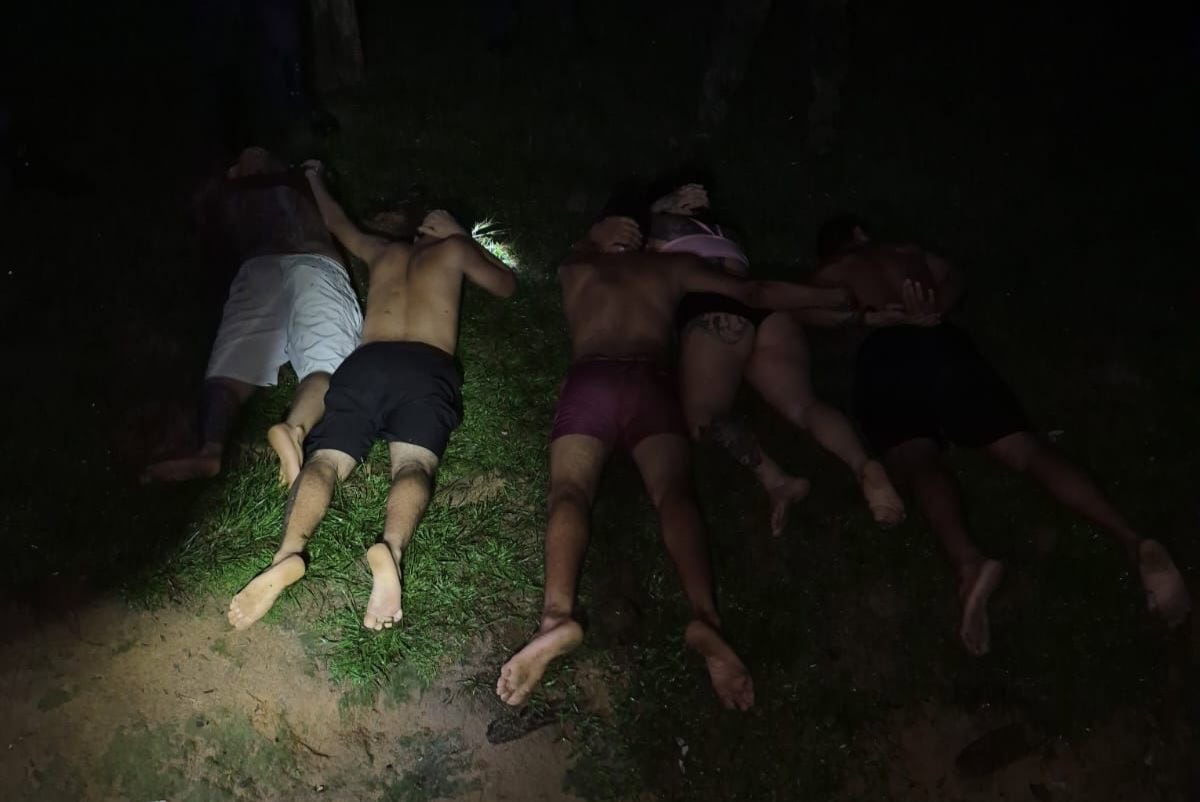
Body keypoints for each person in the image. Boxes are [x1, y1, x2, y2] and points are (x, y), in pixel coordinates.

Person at [496, 211, 855, 711]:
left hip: (591, 380)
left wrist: (592, 236)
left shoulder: (578, 267)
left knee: (570, 492)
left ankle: (556, 617)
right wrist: (827, 297)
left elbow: (571, 251)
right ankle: (705, 618)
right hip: (649, 383)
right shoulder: (670, 267)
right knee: (673, 494)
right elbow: (752, 293)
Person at [811, 214, 1192, 656]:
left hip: (885, 353)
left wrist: (868, 319)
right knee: (1023, 449)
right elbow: (956, 276)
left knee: (916, 459)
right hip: (944, 343)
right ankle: (1131, 537)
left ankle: (968, 563)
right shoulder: (907, 253)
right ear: (861, 233)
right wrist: (934, 311)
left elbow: (817, 317)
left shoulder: (832, 271)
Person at [227, 160, 517, 631]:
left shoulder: (384, 251)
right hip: (426, 367)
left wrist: (313, 177)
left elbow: (337, 222)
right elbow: (506, 285)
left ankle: (288, 553)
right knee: (414, 465)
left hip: (366, 363)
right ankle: (391, 550)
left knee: (325, 461)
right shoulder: (453, 251)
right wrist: (463, 238)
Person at [647, 183, 904, 535]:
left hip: (713, 307)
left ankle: (776, 479)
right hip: (770, 311)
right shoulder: (727, 234)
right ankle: (863, 464)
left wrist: (661, 204)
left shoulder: (661, 227)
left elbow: (627, 232)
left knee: (703, 417)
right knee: (804, 405)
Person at [142, 146, 363, 487]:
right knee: (226, 373)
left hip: (314, 265)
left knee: (327, 367)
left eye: (262, 153)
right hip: (263, 269)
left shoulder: (300, 180)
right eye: (247, 155)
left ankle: (293, 430)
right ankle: (210, 452)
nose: (258, 156)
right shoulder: (229, 193)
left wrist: (313, 173)